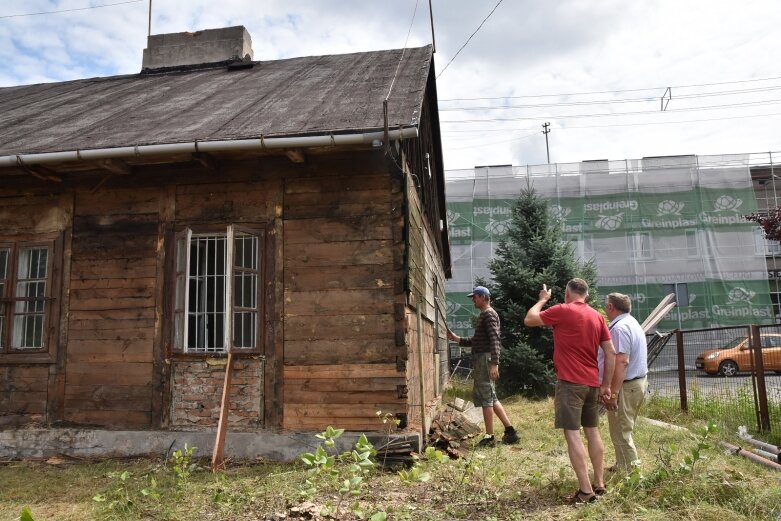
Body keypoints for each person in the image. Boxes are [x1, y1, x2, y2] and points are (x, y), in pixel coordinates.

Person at [524, 278, 616, 504]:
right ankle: (599, 483)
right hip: (593, 383)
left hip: (569, 383)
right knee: (592, 431)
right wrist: (606, 385)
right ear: (585, 294)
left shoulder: (563, 310)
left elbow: (529, 319)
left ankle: (586, 491)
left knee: (572, 433)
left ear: (567, 294)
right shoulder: (597, 316)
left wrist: (543, 300)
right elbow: (611, 352)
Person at [447, 286, 519, 447]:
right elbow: (477, 340)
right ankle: (510, 431)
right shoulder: (485, 315)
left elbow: (494, 340)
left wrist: (495, 363)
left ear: (483, 297)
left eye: (475, 297)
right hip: (483, 358)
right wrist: (456, 338)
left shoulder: (488, 314)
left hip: (485, 360)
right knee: (491, 397)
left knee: (487, 399)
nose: (473, 300)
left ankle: (489, 437)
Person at [600, 292, 648, 472]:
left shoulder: (619, 329)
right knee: (620, 429)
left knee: (622, 433)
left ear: (611, 307)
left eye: (606, 305)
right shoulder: (632, 322)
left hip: (626, 387)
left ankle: (632, 475)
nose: (605, 308)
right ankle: (622, 465)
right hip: (636, 384)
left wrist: (613, 393)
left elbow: (621, 361)